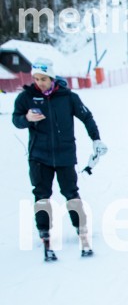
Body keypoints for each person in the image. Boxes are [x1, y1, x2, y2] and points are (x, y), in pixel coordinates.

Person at [12, 57, 107, 257]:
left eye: (43, 78)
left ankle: (82, 231)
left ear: (52, 77)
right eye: (36, 78)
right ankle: (44, 234)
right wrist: (26, 119)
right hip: (39, 156)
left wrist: (96, 139)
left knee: (71, 193)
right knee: (41, 195)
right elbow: (16, 119)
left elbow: (86, 117)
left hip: (64, 155)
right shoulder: (26, 98)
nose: (39, 83)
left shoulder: (67, 97)